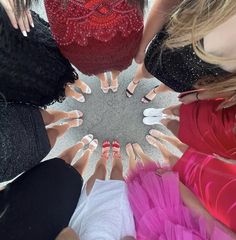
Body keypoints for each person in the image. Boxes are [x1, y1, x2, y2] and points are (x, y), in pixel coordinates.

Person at [126, 0, 236, 104]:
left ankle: (155, 91)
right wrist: (142, 47)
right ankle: (135, 80)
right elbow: (165, 4)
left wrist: (196, 96)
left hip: (188, 82)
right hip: (165, 54)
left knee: (169, 87)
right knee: (145, 72)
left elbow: (228, 87)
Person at [125, 140, 236, 239]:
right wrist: (174, 182)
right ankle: (141, 155)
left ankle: (132, 160)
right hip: (175, 214)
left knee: (136, 189)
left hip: (149, 232)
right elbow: (202, 214)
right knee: (152, 177)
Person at [0, 135, 98, 240]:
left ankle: (80, 144)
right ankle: (88, 152)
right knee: (75, 174)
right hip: (48, 222)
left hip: (16, 198)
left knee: (60, 162)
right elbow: (69, 234)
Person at [43, 0, 144, 93]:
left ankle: (114, 77)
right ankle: (103, 78)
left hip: (123, 12)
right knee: (89, 60)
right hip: (69, 11)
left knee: (121, 55)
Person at [56, 140, 136, 240]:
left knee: (99, 171)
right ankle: (116, 156)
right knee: (117, 172)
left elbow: (68, 233)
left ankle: (104, 156)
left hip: (88, 215)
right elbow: (128, 238)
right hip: (118, 220)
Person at [0, 104, 83, 182]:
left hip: (7, 123)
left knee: (46, 117)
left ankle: (66, 115)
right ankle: (66, 125)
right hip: (12, 160)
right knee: (52, 134)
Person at [142, 99, 236, 160]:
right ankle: (162, 111)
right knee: (183, 110)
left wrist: (227, 159)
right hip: (225, 111)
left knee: (183, 133)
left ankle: (163, 120)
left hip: (224, 143)